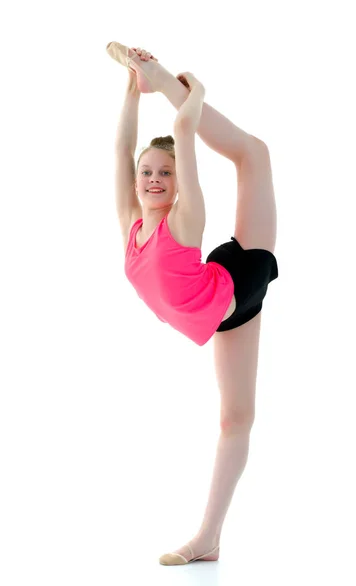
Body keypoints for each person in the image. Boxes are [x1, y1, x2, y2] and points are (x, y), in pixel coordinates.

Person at [110, 43, 278, 565]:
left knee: (254, 153)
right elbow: (122, 151)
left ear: (178, 184)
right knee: (236, 419)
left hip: (240, 278)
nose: (154, 178)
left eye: (165, 173)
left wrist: (189, 90)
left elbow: (183, 135)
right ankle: (209, 539)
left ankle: (164, 78)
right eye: (148, 173)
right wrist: (130, 91)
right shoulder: (130, 226)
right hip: (220, 308)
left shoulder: (184, 224)